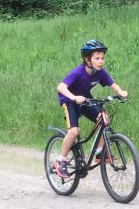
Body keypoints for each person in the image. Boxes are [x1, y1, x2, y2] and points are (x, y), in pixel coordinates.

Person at [53, 40, 128, 178]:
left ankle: (100, 152)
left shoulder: (99, 72)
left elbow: (112, 84)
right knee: (74, 132)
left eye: (102, 58)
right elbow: (61, 87)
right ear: (87, 59)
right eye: (97, 58)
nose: (101, 61)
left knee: (103, 118)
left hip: (86, 99)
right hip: (70, 101)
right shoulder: (78, 72)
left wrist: (121, 92)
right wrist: (74, 97)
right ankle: (61, 161)